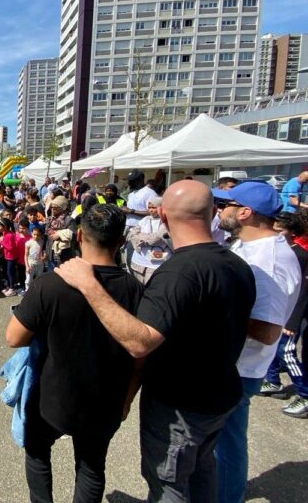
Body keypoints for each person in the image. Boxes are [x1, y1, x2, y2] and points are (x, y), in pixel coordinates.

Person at [55, 180, 256, 503]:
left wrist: (89, 285)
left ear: (162, 215)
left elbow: (140, 342)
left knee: (169, 484)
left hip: (181, 406)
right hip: (219, 396)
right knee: (203, 472)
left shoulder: (178, 273)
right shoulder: (237, 264)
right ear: (212, 213)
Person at [5, 204, 143, 503]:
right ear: (121, 242)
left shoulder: (51, 284)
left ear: (79, 236)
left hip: (53, 396)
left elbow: (13, 337)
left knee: (38, 452)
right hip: (106, 398)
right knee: (91, 467)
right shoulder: (134, 289)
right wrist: (128, 397)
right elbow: (141, 357)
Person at [212, 181, 301, 503]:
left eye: (226, 205)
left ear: (245, 212)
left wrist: (211, 311)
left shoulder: (272, 261)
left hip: (241, 368)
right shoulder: (246, 245)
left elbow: (267, 330)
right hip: (231, 362)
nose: (220, 211)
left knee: (226, 445)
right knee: (221, 441)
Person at [261, 211, 308, 418]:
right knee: (272, 347)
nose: (276, 234)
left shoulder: (298, 254)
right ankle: (273, 381)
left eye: (280, 231)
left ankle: (304, 393)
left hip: (292, 315)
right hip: (278, 310)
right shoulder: (283, 252)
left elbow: (303, 291)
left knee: (286, 352)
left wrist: (293, 321)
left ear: (292, 232)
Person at [127, 197, 172, 285]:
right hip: (139, 262)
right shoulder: (145, 220)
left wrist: (139, 238)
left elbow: (157, 238)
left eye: (154, 207)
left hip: (157, 264)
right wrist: (142, 237)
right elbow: (131, 234)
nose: (151, 210)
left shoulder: (167, 221)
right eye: (149, 207)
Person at [24, 226, 45, 293]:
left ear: (41, 235)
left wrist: (44, 256)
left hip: (40, 264)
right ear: (31, 233)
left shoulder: (42, 242)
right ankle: (27, 292)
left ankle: (37, 292)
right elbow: (25, 255)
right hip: (31, 264)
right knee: (28, 280)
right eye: (34, 234)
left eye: (38, 235)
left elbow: (43, 251)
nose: (36, 236)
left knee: (39, 279)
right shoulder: (28, 243)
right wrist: (27, 266)